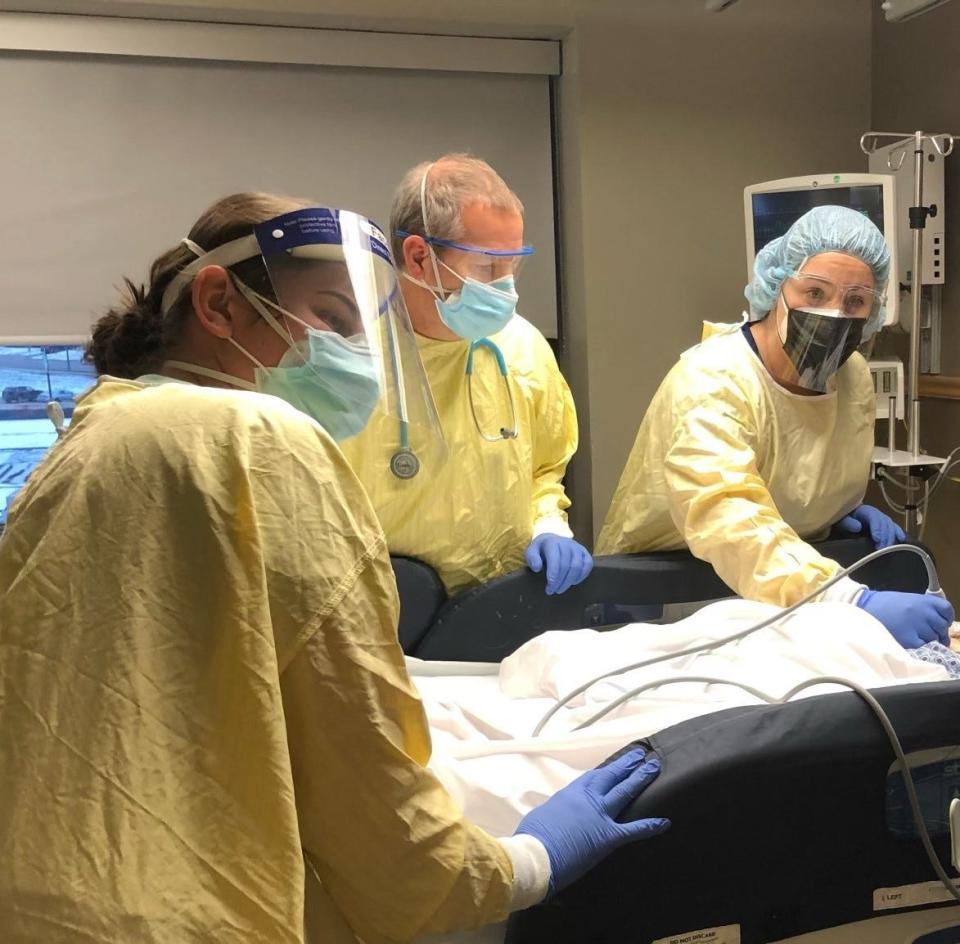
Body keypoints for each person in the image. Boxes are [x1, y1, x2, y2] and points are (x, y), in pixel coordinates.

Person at [0, 193, 668, 944]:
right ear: (220, 303)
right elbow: (367, 780)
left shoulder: (100, 427)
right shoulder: (260, 435)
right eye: (333, 319)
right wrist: (527, 862)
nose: (355, 352)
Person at [597, 206, 954, 649]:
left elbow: (803, 472)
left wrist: (831, 512)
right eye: (815, 292)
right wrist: (849, 600)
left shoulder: (853, 376)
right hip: (671, 600)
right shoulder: (715, 377)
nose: (835, 314)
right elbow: (726, 516)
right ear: (777, 285)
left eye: (856, 301)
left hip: (792, 599)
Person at [339, 154, 592, 596]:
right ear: (418, 256)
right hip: (379, 613)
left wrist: (548, 524)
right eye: (486, 267)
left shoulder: (523, 349)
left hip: (493, 614)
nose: (506, 286)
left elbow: (545, 470)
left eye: (512, 264)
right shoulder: (347, 360)